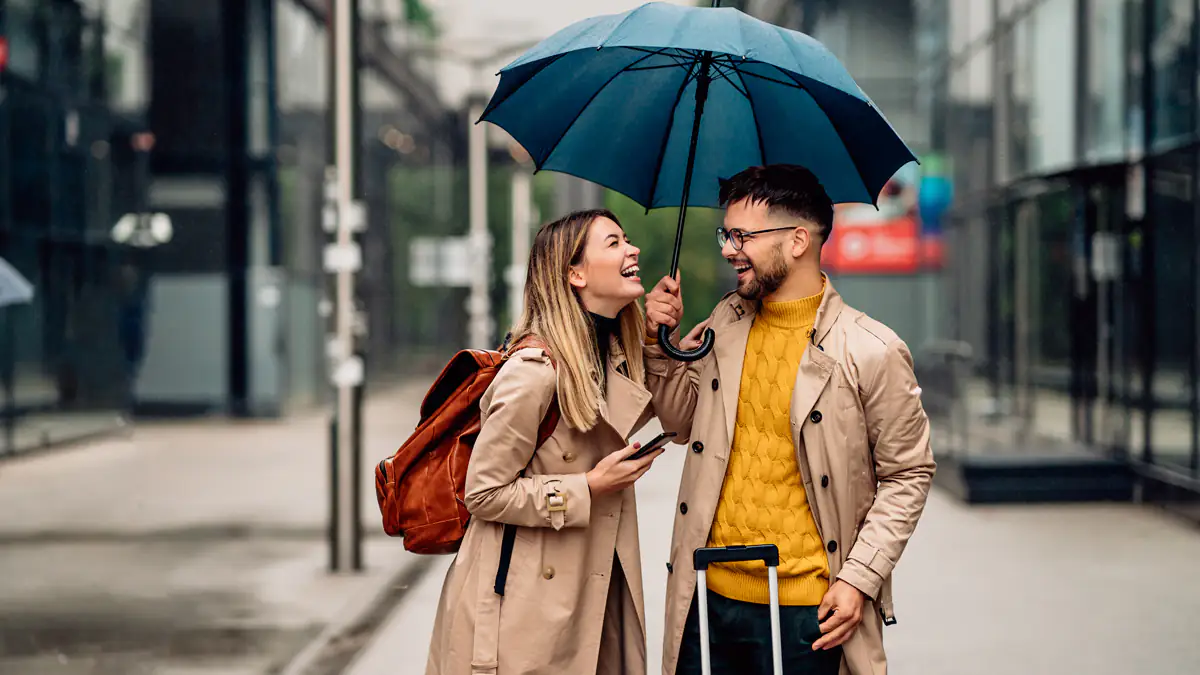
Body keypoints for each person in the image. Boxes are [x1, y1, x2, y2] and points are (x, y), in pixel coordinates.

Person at [643, 164, 936, 675]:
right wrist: (658, 345)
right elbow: (681, 423)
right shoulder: (724, 323)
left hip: (810, 613)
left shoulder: (872, 350)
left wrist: (859, 578)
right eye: (726, 234)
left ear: (798, 239)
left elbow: (909, 474)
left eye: (742, 236)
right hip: (707, 596)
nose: (729, 249)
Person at [425, 209, 669, 675]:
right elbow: (483, 492)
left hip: (585, 591)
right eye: (614, 242)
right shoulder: (534, 373)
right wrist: (589, 486)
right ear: (574, 273)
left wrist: (659, 340)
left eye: (627, 239)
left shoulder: (608, 357)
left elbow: (673, 415)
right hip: (518, 609)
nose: (633, 249)